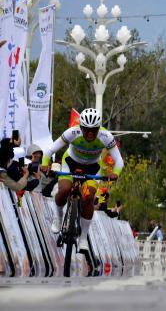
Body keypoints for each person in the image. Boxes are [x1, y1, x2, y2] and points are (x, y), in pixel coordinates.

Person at [43, 108, 123, 253]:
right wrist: (44, 164)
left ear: (99, 128)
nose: (90, 133)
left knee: (89, 197)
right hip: (71, 163)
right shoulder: (72, 132)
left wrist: (115, 173)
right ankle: (58, 217)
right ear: (80, 127)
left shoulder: (106, 136)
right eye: (86, 130)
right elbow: (50, 150)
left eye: (94, 130)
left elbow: (119, 160)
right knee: (64, 189)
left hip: (92, 167)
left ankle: (83, 238)